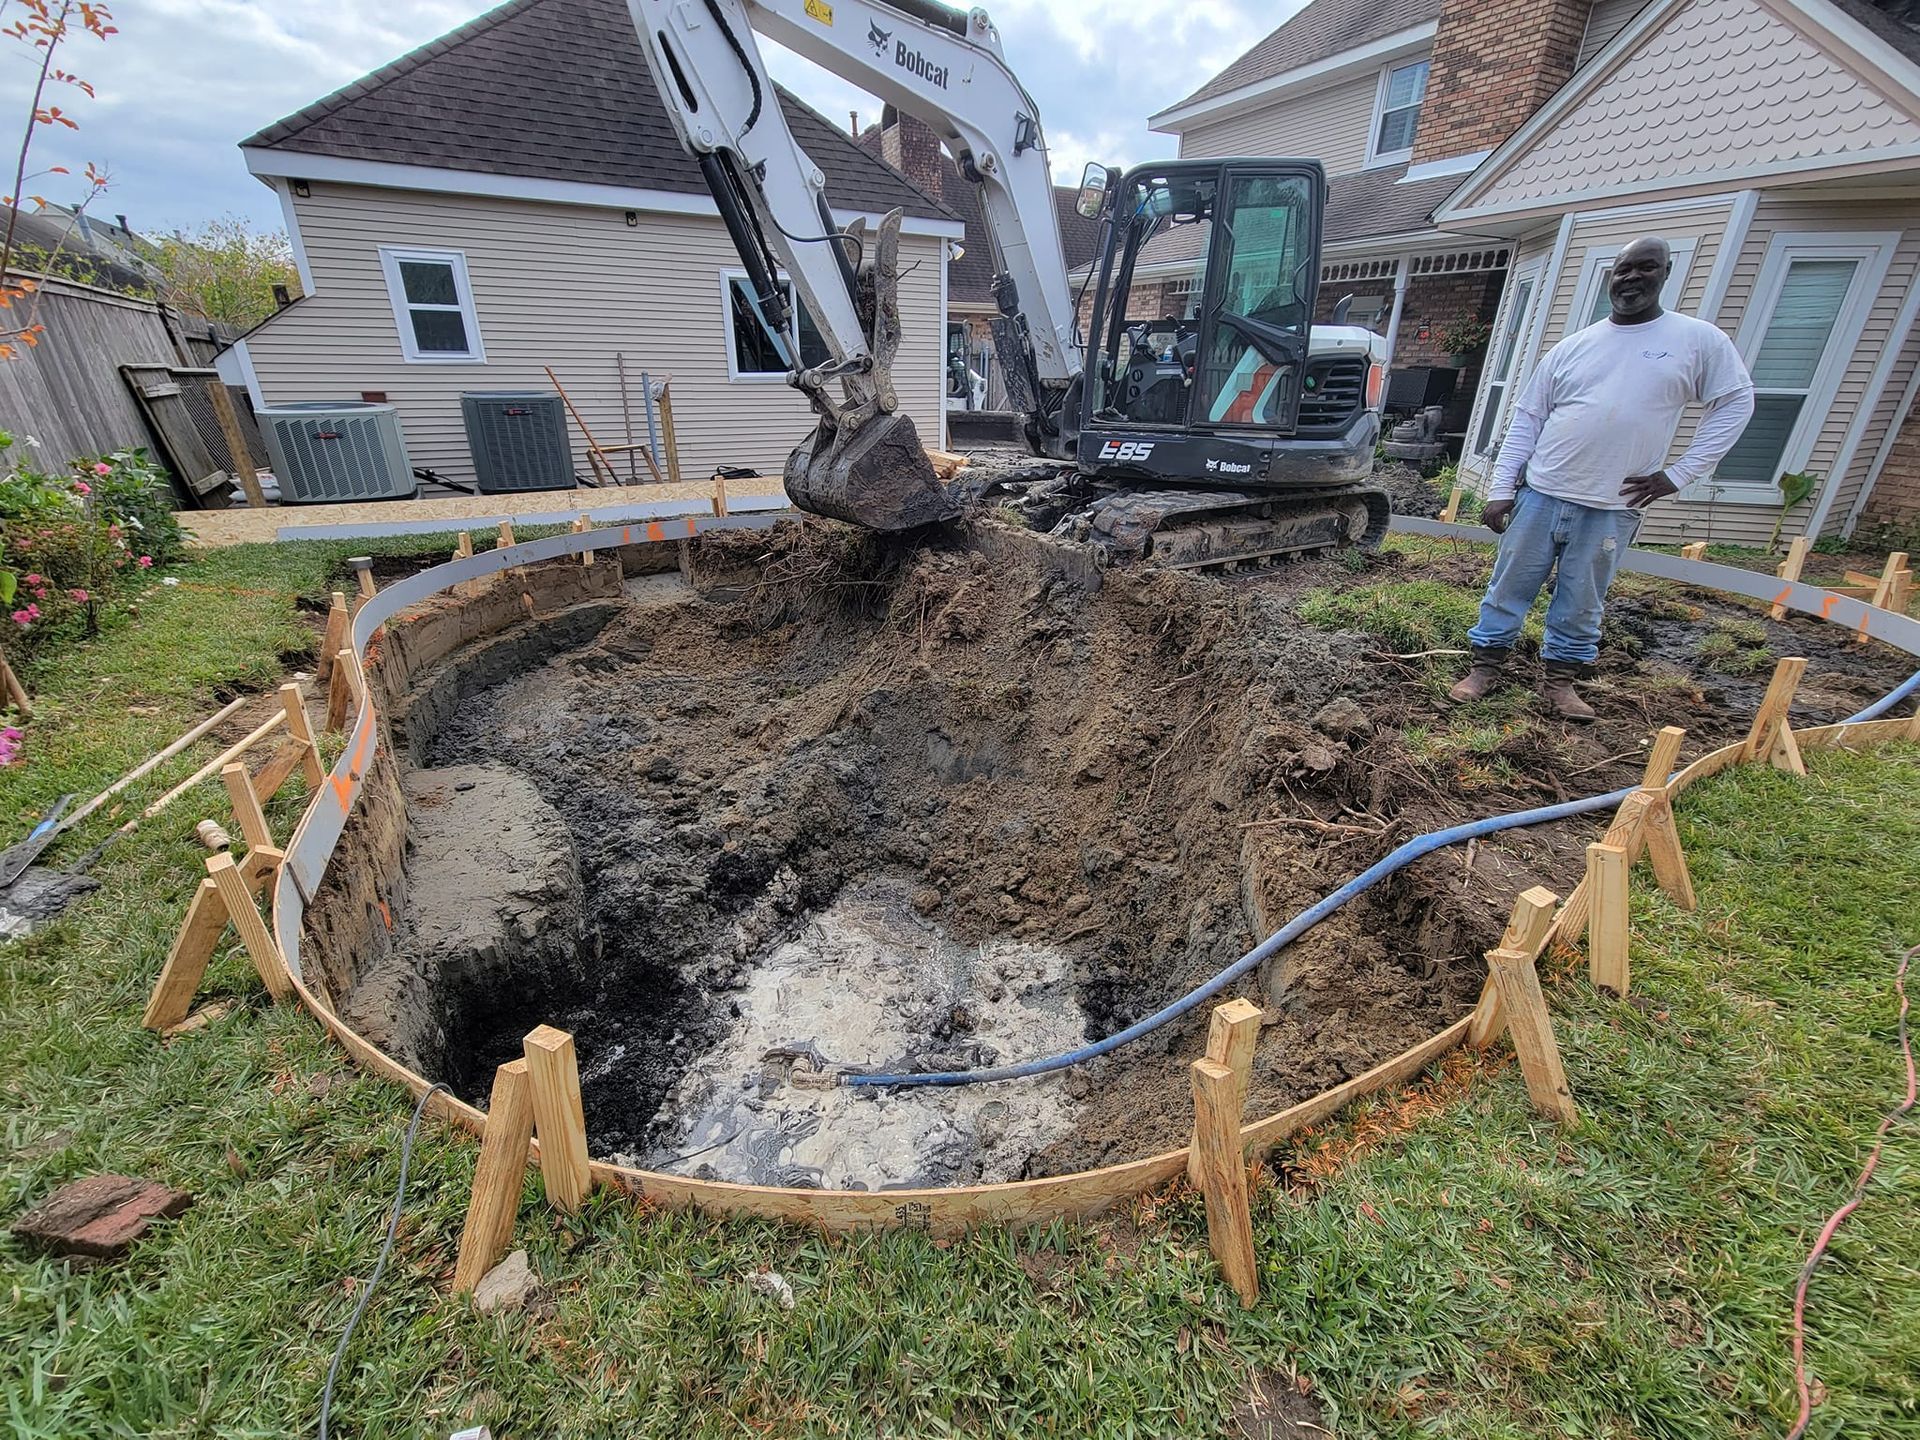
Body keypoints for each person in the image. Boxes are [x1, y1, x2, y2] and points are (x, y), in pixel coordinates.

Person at [1449, 236, 1756, 721]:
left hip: (1613, 504)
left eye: (1646, 268)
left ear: (1666, 273)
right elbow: (1527, 419)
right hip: (1542, 493)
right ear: (1611, 276)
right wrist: (1502, 490)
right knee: (1509, 586)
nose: (1632, 278)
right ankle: (1485, 668)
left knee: (1582, 596)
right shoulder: (1575, 347)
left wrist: (1680, 474)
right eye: (1623, 269)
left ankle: (1560, 683)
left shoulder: (1696, 341)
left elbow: (1736, 402)